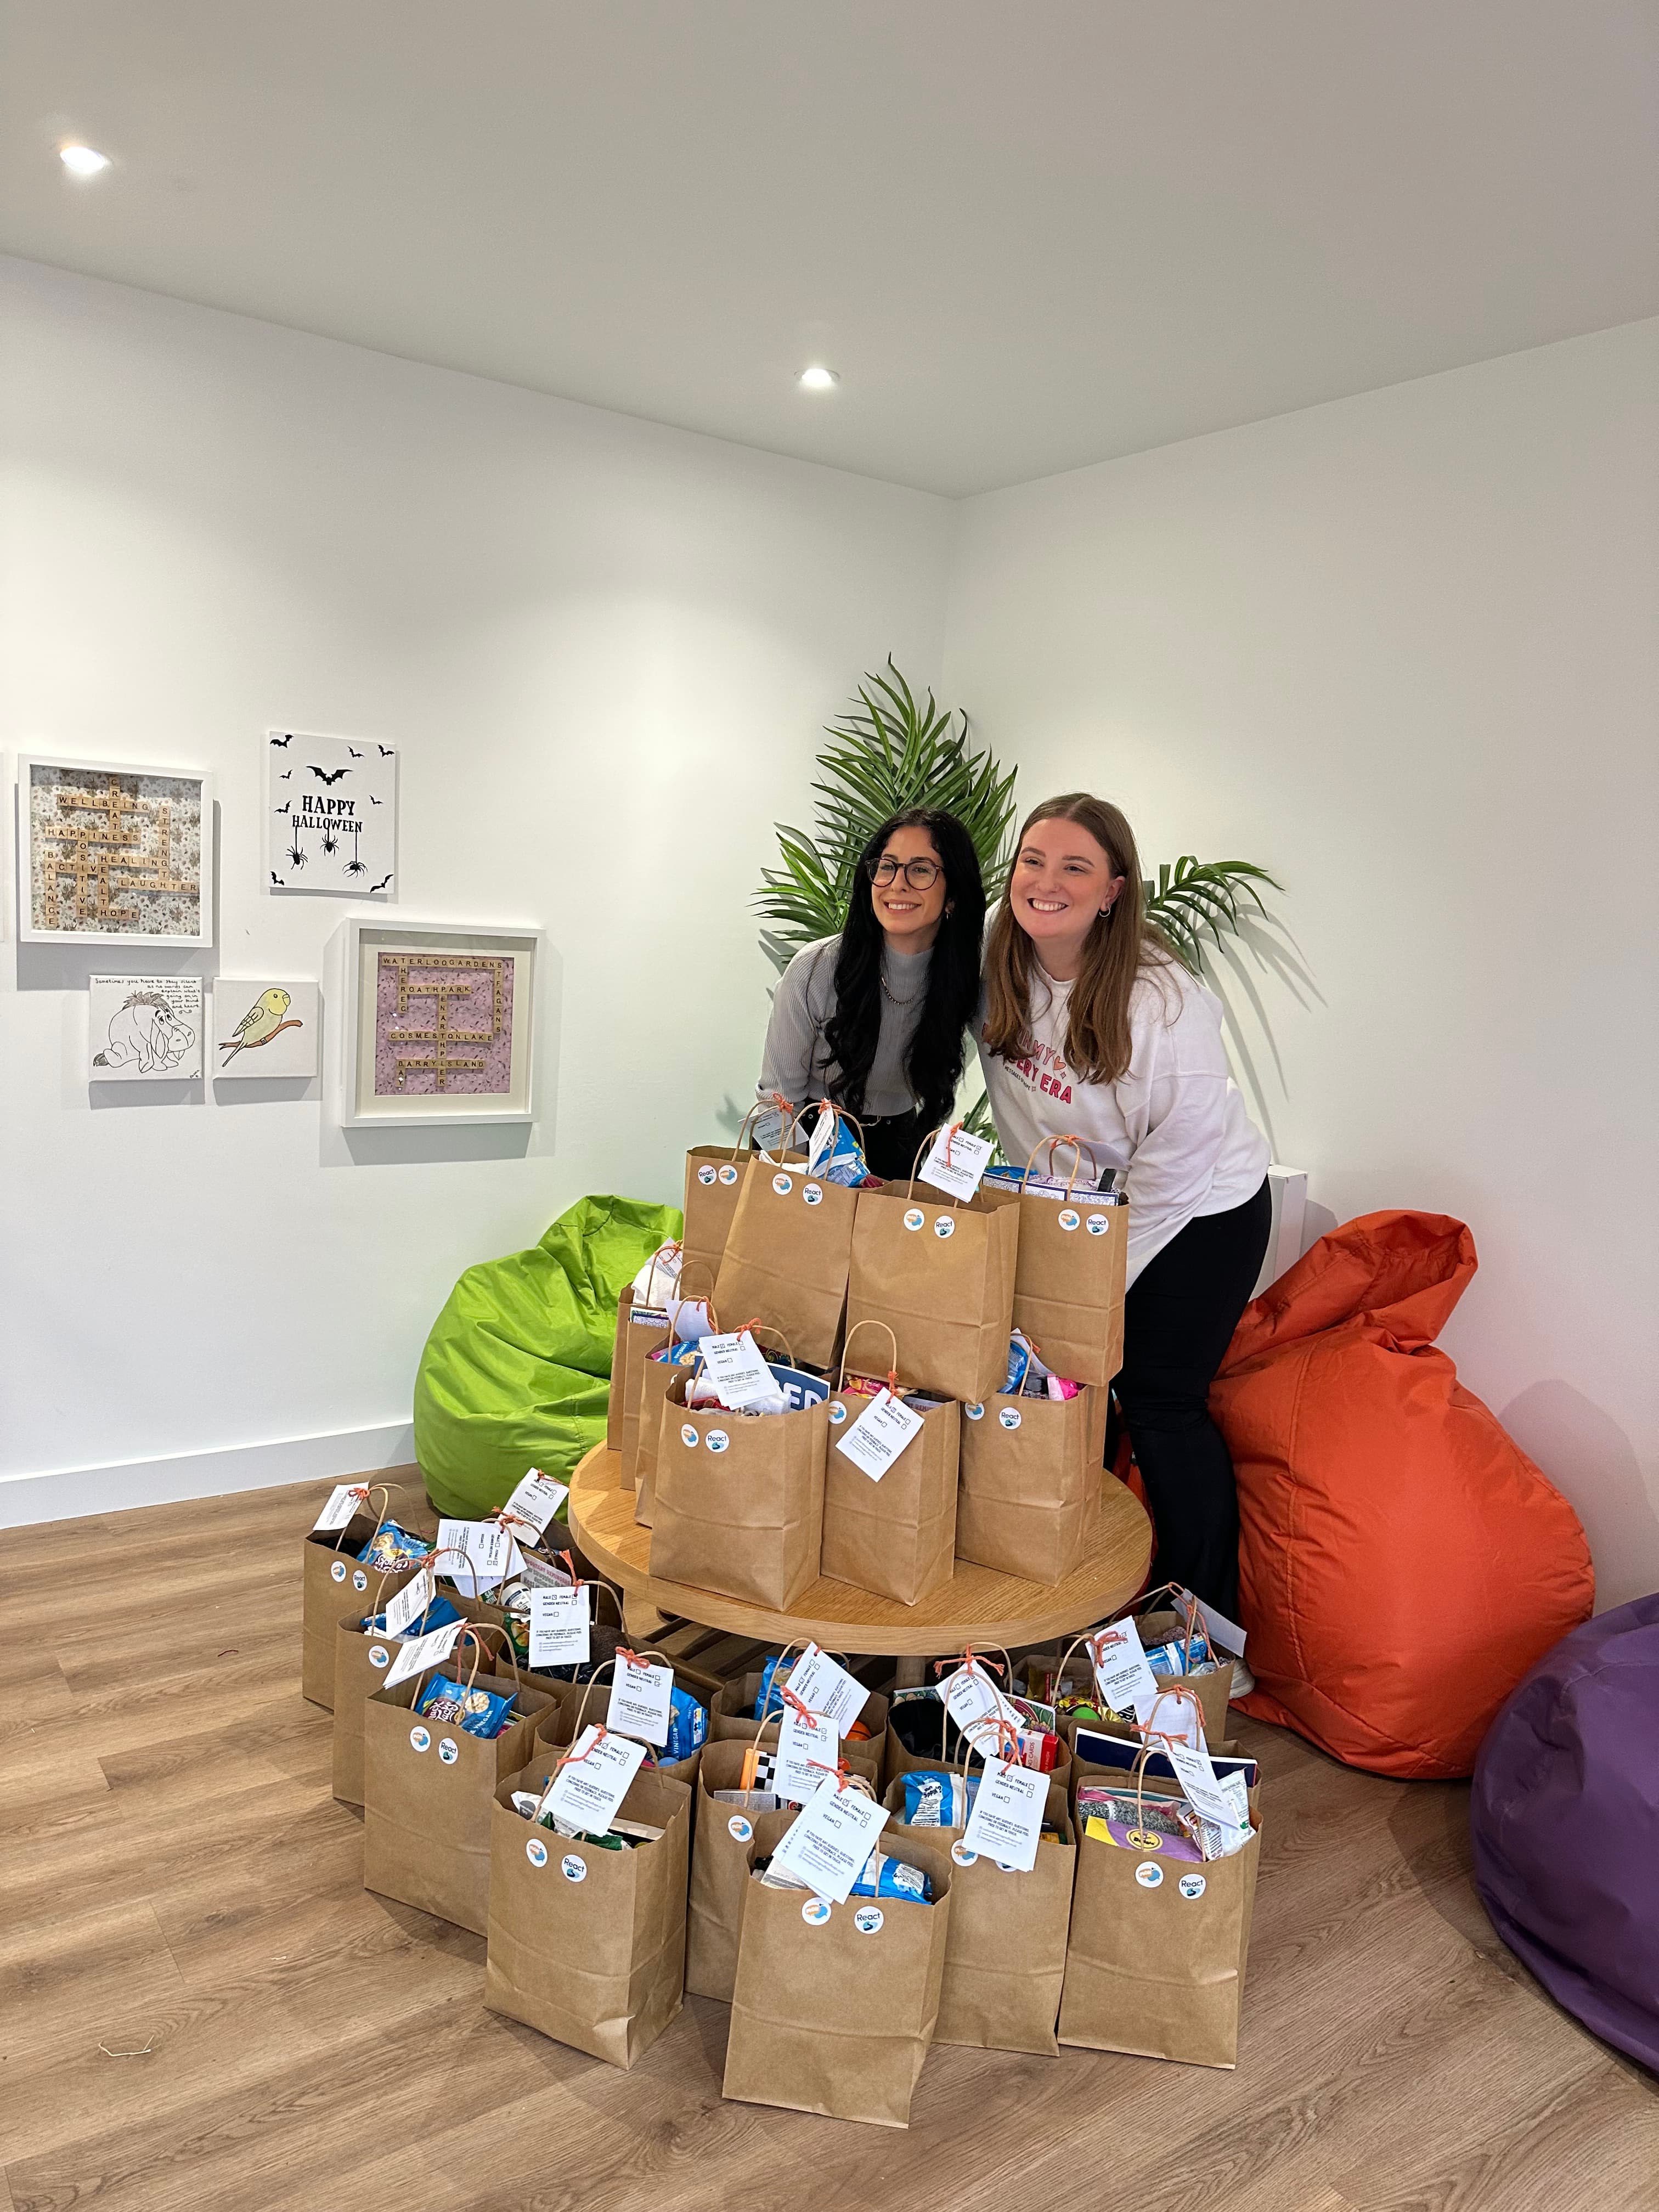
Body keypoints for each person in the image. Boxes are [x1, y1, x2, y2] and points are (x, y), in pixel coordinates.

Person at [979, 791, 1271, 1617]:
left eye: (1075, 867)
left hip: (1201, 1213)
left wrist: (1098, 1276)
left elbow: (1177, 1165)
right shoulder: (1002, 956)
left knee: (1159, 1403)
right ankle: (1081, 1594)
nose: (1047, 882)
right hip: (1085, 1207)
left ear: (1113, 890)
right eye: (1033, 861)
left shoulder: (1163, 1003)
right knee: (1063, 1392)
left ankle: (1203, 1629)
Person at [757, 808, 986, 1182]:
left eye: (921, 870)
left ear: (954, 896)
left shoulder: (965, 980)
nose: (897, 884)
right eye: (887, 866)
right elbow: (777, 1103)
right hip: (808, 1142)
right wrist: (797, 1184)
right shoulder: (815, 968)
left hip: (898, 1147)